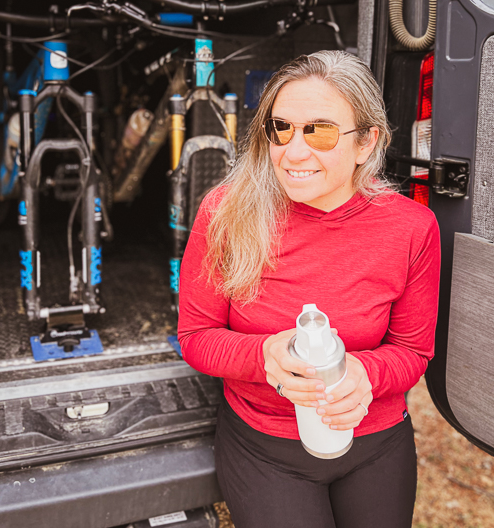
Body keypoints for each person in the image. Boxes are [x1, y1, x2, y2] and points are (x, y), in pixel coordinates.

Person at [178, 50, 440, 528]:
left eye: (318, 131)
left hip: (377, 444)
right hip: (265, 448)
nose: (292, 152)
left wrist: (363, 372)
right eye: (280, 128)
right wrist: (264, 356)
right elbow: (197, 337)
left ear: (366, 143)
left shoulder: (412, 228)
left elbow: (413, 351)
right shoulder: (225, 212)